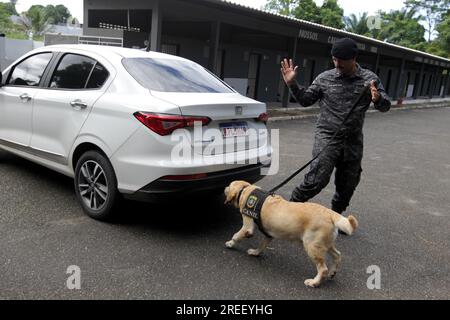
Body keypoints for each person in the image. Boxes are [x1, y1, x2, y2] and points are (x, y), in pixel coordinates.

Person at [281, 37, 391, 219]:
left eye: (342, 60)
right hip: (327, 136)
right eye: (334, 59)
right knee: (317, 179)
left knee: (348, 183)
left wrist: (378, 99)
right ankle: (289, 210)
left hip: (353, 140)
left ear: (354, 58)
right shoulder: (325, 78)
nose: (337, 63)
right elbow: (305, 100)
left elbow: (385, 106)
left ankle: (336, 215)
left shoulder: (369, 79)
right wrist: (292, 83)